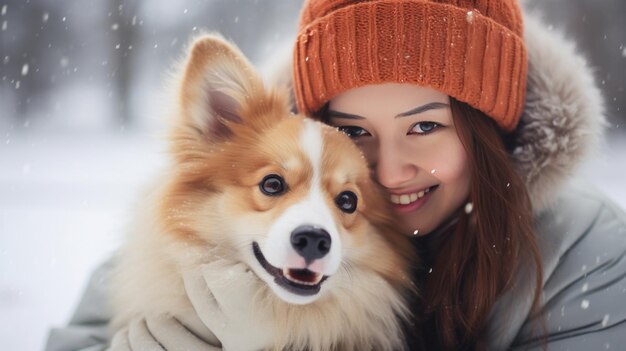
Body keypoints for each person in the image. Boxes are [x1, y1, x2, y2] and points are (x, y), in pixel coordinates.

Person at [46, 0, 626, 350]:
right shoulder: (201, 222)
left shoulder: (586, 249)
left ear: (486, 133)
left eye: (424, 127)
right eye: (353, 132)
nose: (388, 170)